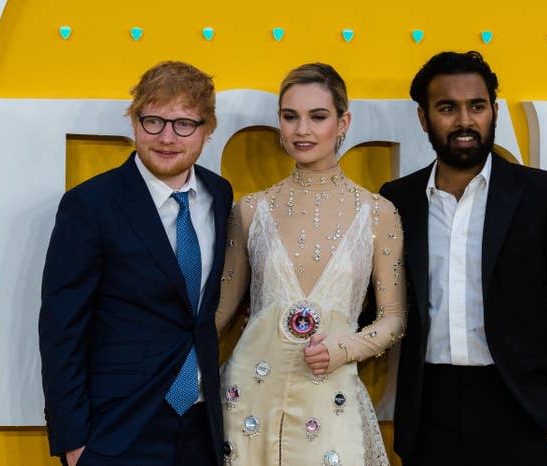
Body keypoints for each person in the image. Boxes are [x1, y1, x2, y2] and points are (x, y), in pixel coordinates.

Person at [381, 51, 547, 466]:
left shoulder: (544, 196)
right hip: (428, 411)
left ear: (494, 111)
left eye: (477, 106)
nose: (465, 121)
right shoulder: (398, 200)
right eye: (447, 108)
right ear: (423, 118)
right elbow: (380, 304)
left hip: (519, 409)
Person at [39, 61, 232, 466]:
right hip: (117, 431)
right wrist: (74, 443)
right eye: (153, 121)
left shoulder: (220, 195)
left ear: (207, 129)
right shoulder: (91, 205)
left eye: (183, 124)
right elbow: (62, 329)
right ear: (134, 121)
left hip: (202, 426)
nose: (166, 137)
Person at [215, 63, 407, 466]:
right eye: (290, 117)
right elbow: (219, 314)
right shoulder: (249, 211)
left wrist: (344, 348)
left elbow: (394, 318)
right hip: (249, 400)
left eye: (317, 117)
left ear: (343, 122)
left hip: (331, 394)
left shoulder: (379, 213)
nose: (302, 130)